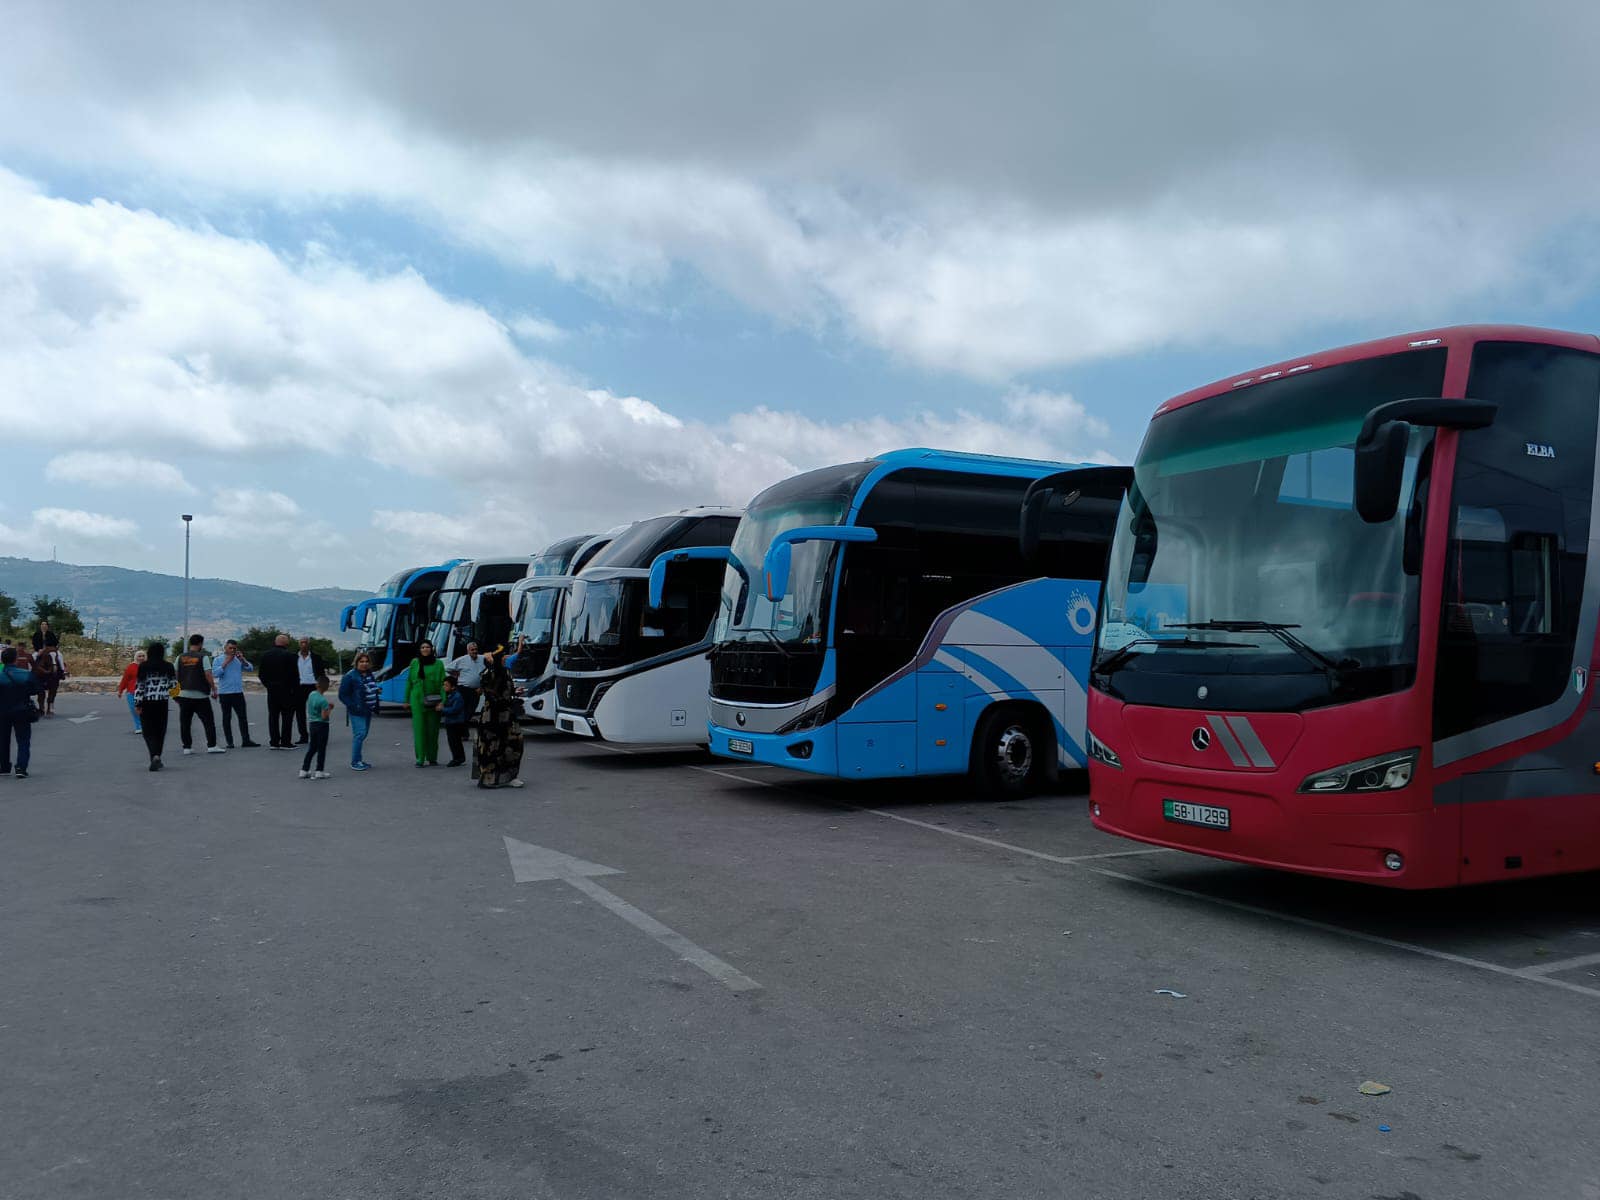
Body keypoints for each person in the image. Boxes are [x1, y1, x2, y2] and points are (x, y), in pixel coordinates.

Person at [471, 648, 525, 789]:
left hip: (507, 714)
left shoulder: (506, 672)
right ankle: (490, 778)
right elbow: (491, 693)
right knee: (491, 746)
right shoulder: (488, 674)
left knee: (513, 743)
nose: (505, 658)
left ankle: (509, 776)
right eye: (502, 656)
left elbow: (507, 690)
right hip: (492, 715)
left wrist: (514, 692)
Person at [175, 634, 224, 756]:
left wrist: (175, 692)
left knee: (185, 722)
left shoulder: (180, 657)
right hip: (200, 695)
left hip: (184, 694)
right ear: (200, 644)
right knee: (208, 721)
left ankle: (187, 747)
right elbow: (208, 674)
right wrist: (213, 688)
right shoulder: (203, 657)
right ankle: (212, 746)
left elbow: (175, 675)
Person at [133, 641, 177, 771]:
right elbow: (173, 685)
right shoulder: (168, 666)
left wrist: (137, 703)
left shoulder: (144, 666)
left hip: (147, 702)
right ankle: (157, 755)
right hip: (162, 703)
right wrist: (177, 697)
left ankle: (154, 755)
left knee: (148, 731)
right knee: (160, 730)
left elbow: (140, 686)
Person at [0, 646, 42, 779]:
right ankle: (21, 768)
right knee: (23, 740)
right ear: (16, 659)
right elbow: (37, 689)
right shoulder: (26, 674)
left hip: (2, 711)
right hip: (22, 710)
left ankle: (4, 767)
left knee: (3, 739)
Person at [404, 639, 446, 767]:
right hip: (417, 700)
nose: (425, 649)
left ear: (431, 649)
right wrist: (406, 700)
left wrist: (443, 701)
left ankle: (432, 757)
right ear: (419, 650)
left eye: (427, 647)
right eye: (422, 647)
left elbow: (443, 684)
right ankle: (420, 759)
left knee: (433, 730)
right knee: (419, 730)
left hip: (434, 700)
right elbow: (409, 682)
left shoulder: (438, 663)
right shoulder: (415, 662)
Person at [337, 651, 381, 771]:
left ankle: (359, 760)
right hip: (357, 710)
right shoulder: (350, 676)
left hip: (368, 709)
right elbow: (342, 695)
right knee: (360, 734)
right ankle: (355, 762)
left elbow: (369, 687)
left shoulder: (369, 674)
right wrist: (353, 706)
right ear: (356, 663)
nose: (364, 664)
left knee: (363, 734)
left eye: (366, 661)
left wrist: (376, 690)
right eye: (361, 661)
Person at [212, 638, 259, 748]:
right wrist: (226, 662)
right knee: (226, 718)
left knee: (242, 717)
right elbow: (215, 674)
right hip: (225, 693)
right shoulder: (218, 659)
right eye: (230, 648)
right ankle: (230, 742)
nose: (232, 650)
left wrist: (243, 660)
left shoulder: (238, 659)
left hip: (238, 692)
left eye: (234, 648)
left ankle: (246, 740)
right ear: (225, 648)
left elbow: (250, 669)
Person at [257, 634, 299, 749]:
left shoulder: (266, 655)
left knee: (273, 716)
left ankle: (274, 742)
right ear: (286, 643)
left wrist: (268, 685)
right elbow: (295, 675)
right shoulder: (290, 656)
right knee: (287, 716)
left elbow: (261, 674)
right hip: (286, 690)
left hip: (272, 690)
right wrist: (294, 689)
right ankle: (286, 741)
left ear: (275, 642)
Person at [299, 673, 334, 779]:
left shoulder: (311, 694)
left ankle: (304, 770)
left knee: (312, 748)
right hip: (322, 726)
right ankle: (319, 770)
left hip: (312, 724)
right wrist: (330, 709)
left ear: (316, 684)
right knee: (321, 748)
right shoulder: (323, 701)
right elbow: (324, 716)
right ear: (327, 687)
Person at [293, 637, 326, 744]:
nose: (304, 645)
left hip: (313, 686)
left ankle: (318, 734)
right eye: (301, 643)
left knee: (316, 711)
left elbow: (321, 673)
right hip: (299, 687)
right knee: (300, 712)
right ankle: (303, 736)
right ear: (299, 644)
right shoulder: (294, 657)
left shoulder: (316, 658)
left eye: (305, 643)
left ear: (309, 644)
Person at [448, 642, 486, 717]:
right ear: (468, 651)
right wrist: (455, 674)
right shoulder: (462, 659)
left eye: (476, 649)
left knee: (471, 711)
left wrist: (482, 687)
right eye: (472, 650)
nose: (475, 651)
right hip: (463, 690)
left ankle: (466, 722)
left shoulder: (482, 658)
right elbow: (447, 668)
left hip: (476, 690)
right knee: (461, 711)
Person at [439, 675, 469, 767]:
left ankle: (457, 758)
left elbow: (454, 710)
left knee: (454, 742)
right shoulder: (450, 695)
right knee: (454, 741)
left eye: (446, 685)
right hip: (451, 722)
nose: (444, 687)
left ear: (453, 687)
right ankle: (459, 758)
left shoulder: (457, 696)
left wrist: (442, 709)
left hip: (455, 722)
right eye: (443, 685)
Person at [31, 643, 66, 716]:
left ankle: (62, 671)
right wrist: (41, 649)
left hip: (52, 650)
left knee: (60, 656)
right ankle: (31, 673)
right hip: (43, 650)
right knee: (34, 656)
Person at [117, 650, 146, 734]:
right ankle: (138, 727)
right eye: (139, 656)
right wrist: (120, 690)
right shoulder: (131, 667)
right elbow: (125, 680)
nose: (141, 658)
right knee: (135, 710)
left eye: (143, 656)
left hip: (145, 692)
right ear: (136, 657)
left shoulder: (148, 666)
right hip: (131, 692)